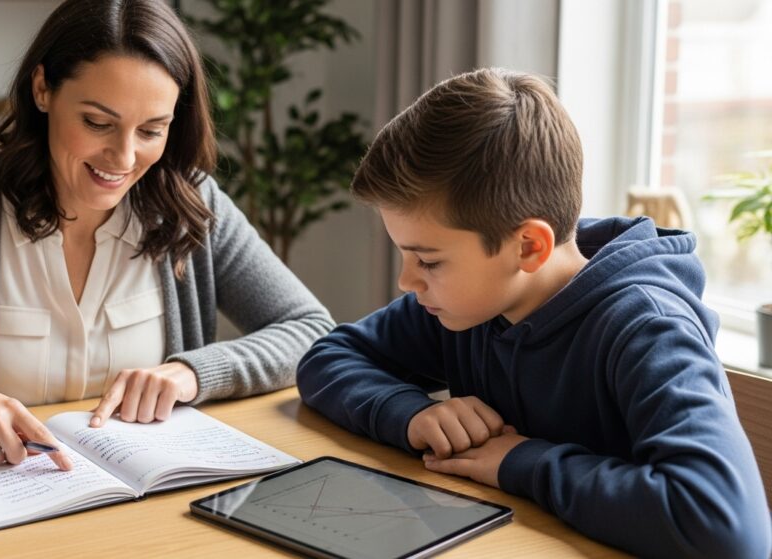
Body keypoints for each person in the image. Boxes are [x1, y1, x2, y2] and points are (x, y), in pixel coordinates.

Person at [0, 0, 332, 472]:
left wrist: (193, 373)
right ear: (43, 88)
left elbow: (311, 331)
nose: (123, 158)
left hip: (149, 515)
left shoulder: (193, 204)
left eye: (151, 130)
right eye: (97, 122)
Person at [296, 68, 771, 558]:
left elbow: (727, 530)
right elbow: (328, 357)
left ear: (528, 246)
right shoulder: (468, 305)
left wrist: (524, 462)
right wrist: (412, 414)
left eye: (429, 260)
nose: (407, 281)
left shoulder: (648, 328)